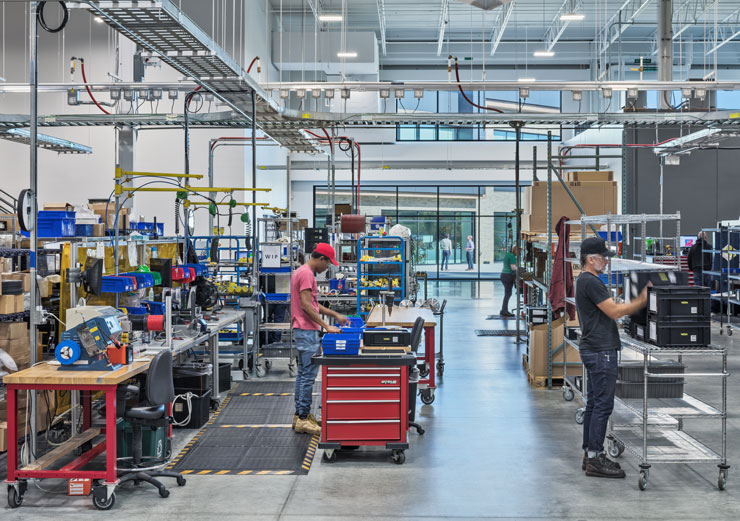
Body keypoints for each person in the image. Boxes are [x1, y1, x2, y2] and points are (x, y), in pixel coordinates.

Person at [576, 237, 649, 479]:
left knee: (595, 403)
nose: (607, 261)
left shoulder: (587, 280)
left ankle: (590, 454)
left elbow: (606, 309)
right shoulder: (591, 282)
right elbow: (615, 312)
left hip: (594, 348)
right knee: (603, 405)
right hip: (601, 351)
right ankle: (595, 457)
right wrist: (641, 300)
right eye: (603, 257)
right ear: (591, 259)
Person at [291, 243, 348, 436]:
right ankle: (304, 419)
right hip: (307, 331)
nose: (327, 268)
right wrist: (326, 326)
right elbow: (307, 306)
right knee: (308, 376)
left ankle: (299, 416)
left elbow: (313, 305)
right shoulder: (307, 274)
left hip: (302, 330)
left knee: (302, 374)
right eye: (328, 263)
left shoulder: (301, 271)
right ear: (321, 259)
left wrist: (335, 315)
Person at [499, 246, 518, 317]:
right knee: (508, 294)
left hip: (503, 275)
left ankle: (503, 309)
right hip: (508, 276)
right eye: (518, 252)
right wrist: (519, 269)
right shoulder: (512, 256)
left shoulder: (508, 254)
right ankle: (504, 310)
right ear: (516, 251)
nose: (518, 254)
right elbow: (513, 267)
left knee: (507, 293)